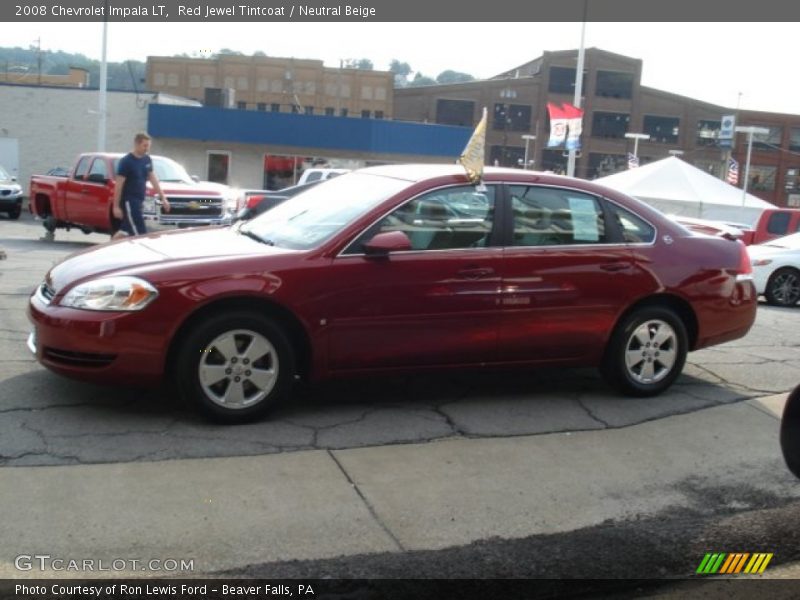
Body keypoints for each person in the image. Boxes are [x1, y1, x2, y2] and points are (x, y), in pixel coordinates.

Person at [112, 132, 170, 239]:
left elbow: (153, 179)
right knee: (140, 235)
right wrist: (116, 207)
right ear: (137, 144)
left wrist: (163, 198)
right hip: (129, 202)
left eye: (148, 146)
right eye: (145, 146)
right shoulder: (126, 162)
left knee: (124, 232)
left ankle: (106, 251)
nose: (147, 149)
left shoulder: (147, 160)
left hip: (139, 201)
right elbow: (118, 185)